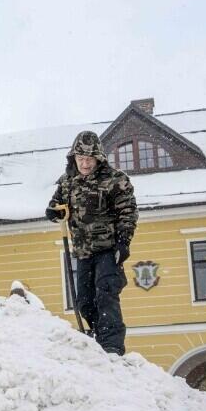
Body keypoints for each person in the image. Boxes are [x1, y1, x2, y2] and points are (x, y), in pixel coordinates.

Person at [45, 131, 138, 355]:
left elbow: (128, 212)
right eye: (81, 159)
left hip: (107, 249)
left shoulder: (115, 180)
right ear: (74, 159)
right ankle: (98, 338)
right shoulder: (68, 182)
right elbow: (55, 204)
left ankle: (112, 346)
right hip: (83, 251)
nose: (85, 164)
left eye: (89, 159)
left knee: (105, 294)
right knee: (84, 301)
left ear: (98, 158)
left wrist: (123, 242)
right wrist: (53, 212)